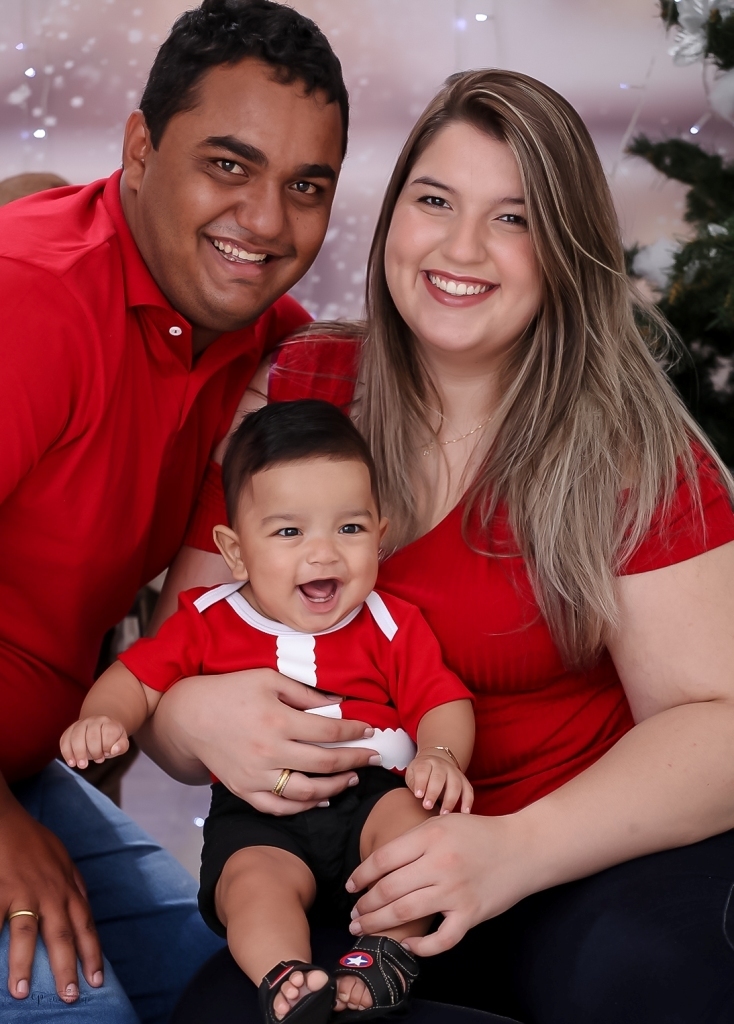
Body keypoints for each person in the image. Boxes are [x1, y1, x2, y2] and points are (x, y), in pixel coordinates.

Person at [148, 69, 734, 1024]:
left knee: (655, 979)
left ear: (566, 251)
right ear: (393, 217)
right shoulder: (303, 388)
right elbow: (167, 674)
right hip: (359, 871)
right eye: (434, 201)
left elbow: (720, 726)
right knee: (224, 1012)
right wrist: (187, 717)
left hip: (582, 864)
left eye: (513, 219)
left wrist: (514, 850)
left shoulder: (630, 446)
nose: (461, 248)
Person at [0, 2, 379, 1021]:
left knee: (214, 995)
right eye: (227, 165)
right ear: (139, 148)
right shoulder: (28, 298)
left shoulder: (265, 343)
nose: (266, 220)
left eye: (305, 187)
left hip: (27, 773)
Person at [61, 399, 475, 1023]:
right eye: (288, 533)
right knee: (250, 884)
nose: (323, 554)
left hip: (372, 792)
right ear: (235, 551)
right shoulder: (209, 618)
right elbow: (135, 682)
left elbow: (443, 699)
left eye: (350, 529)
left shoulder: (390, 621)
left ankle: (384, 953)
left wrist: (440, 754)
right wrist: (104, 718)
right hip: (259, 812)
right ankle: (285, 978)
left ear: (381, 533)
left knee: (418, 837)